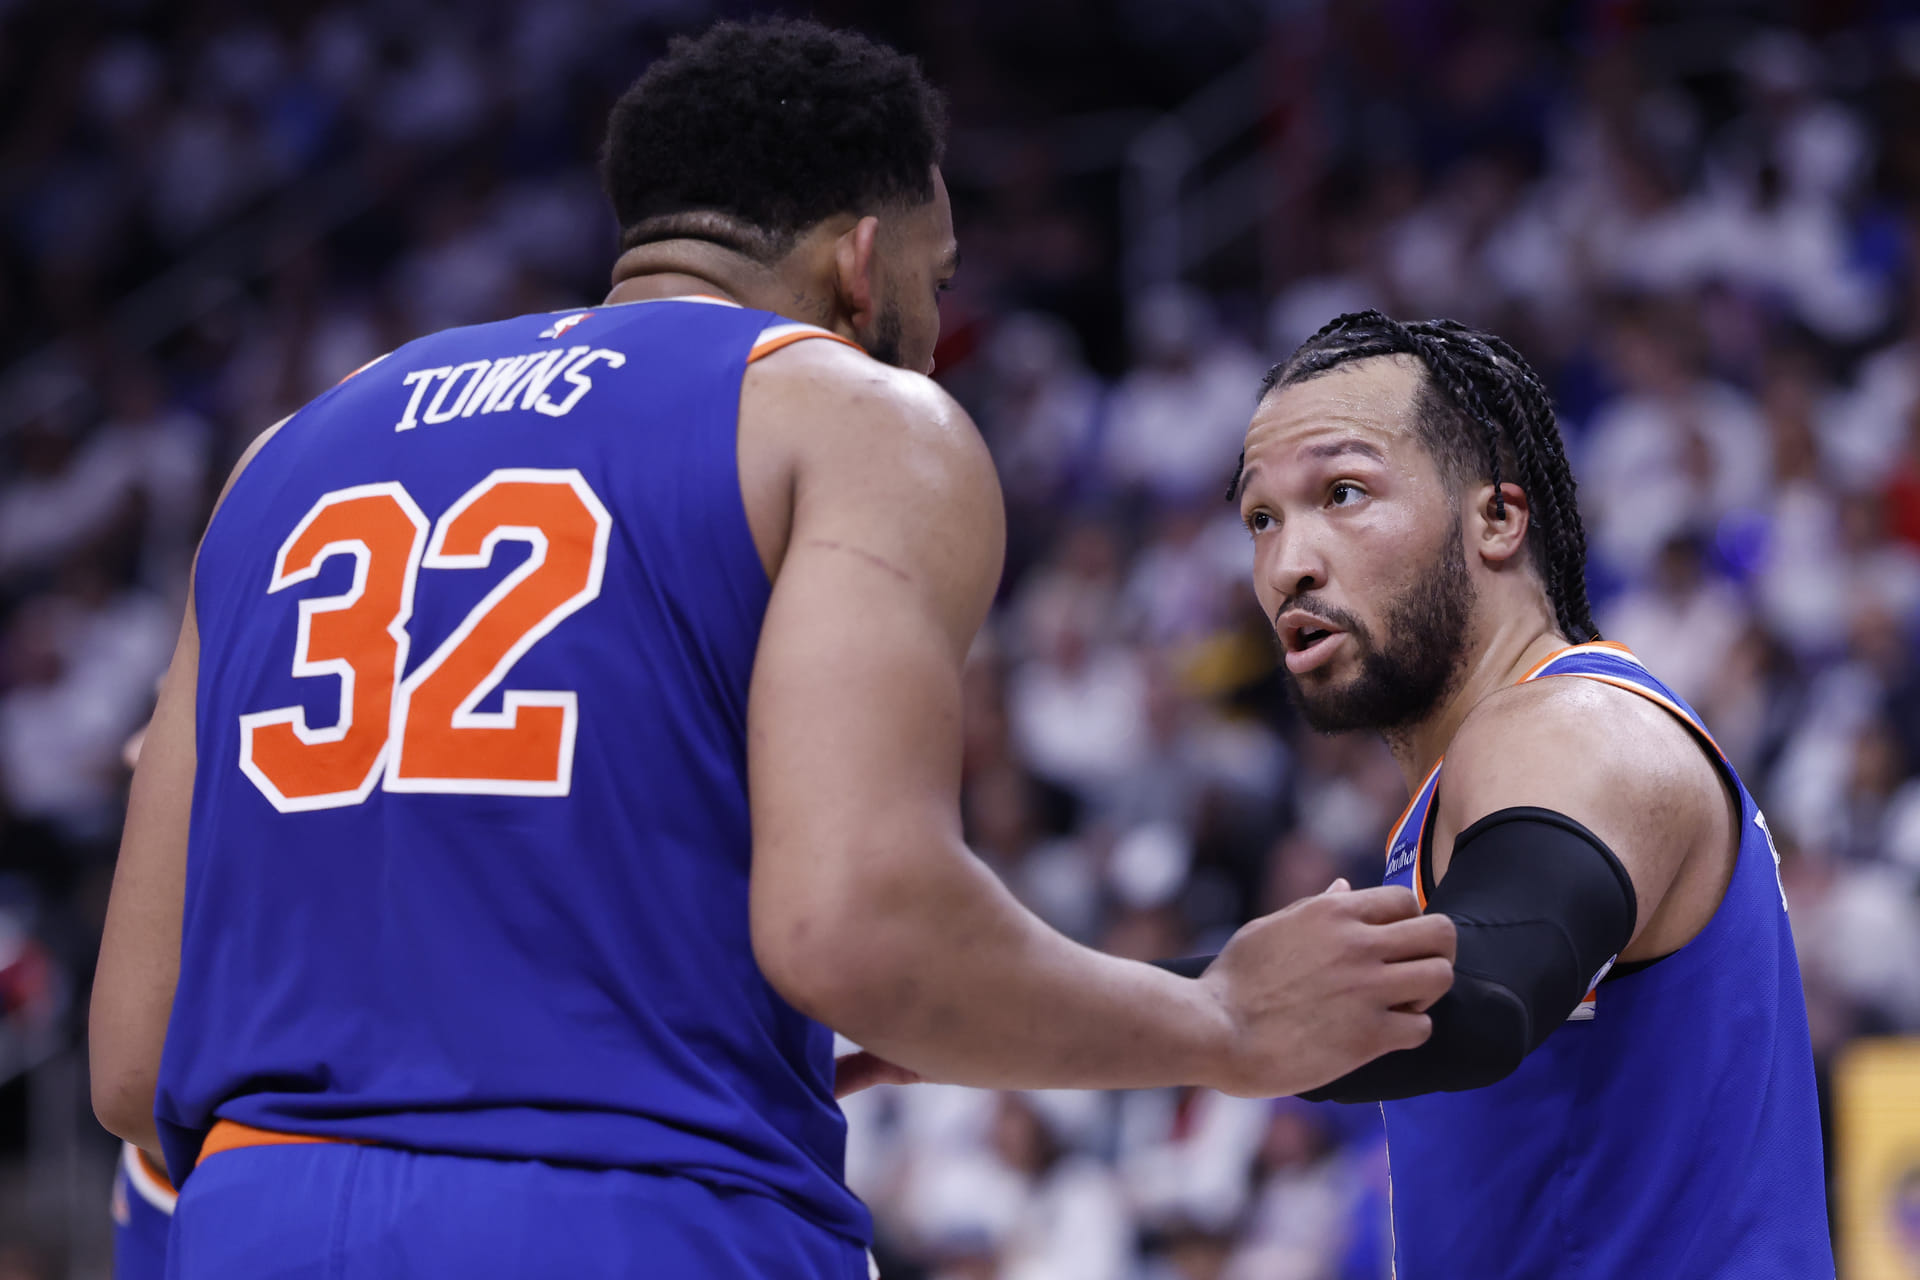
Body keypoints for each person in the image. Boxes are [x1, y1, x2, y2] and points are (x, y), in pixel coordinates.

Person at [87, 24, 1455, 1280]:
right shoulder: (847, 414)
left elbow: (136, 1058)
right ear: (861, 263)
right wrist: (1220, 1022)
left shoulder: (282, 457)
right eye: (938, 280)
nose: (935, 328)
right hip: (630, 1213)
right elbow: (854, 927)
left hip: (257, 1220)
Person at [1217, 310, 1833, 1276]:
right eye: (1261, 517)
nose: (1288, 563)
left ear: (1498, 519)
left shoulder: (1574, 724)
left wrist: (1066, 1009)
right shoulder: (1463, 789)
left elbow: (1479, 996)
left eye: (1342, 492)